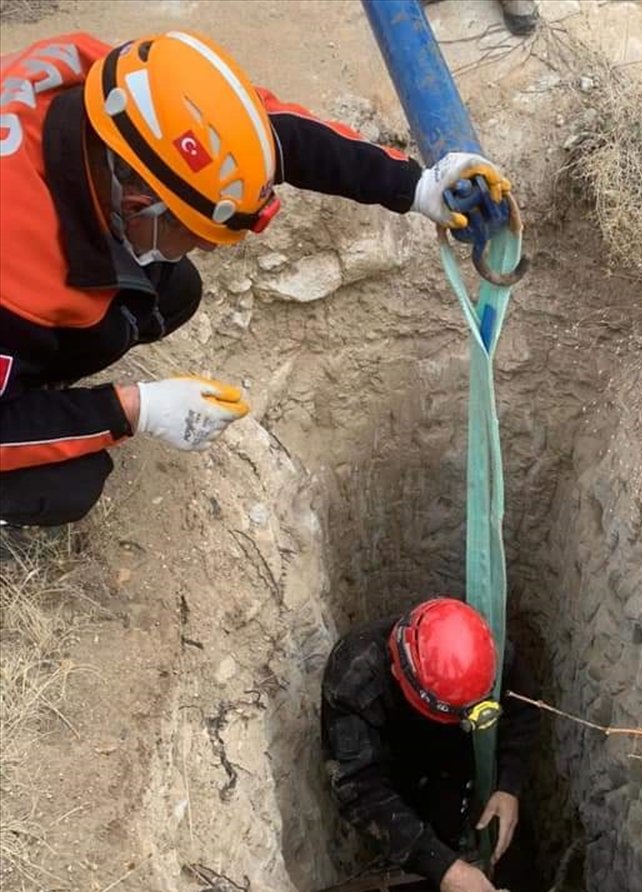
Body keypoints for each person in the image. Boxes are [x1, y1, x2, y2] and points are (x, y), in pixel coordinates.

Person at [0, 31, 511, 528]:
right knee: (68, 485)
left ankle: (31, 378)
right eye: (196, 233)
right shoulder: (17, 279)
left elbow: (264, 134)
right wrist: (135, 408)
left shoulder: (113, 86)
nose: (202, 247)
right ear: (138, 205)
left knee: (168, 293)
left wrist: (415, 185)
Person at [321, 597, 539, 892]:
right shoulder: (353, 680)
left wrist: (509, 785)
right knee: (417, 867)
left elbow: (523, 710)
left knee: (449, 814)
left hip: (456, 762)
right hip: (393, 762)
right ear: (399, 673)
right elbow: (360, 788)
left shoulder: (483, 654)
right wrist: (441, 866)